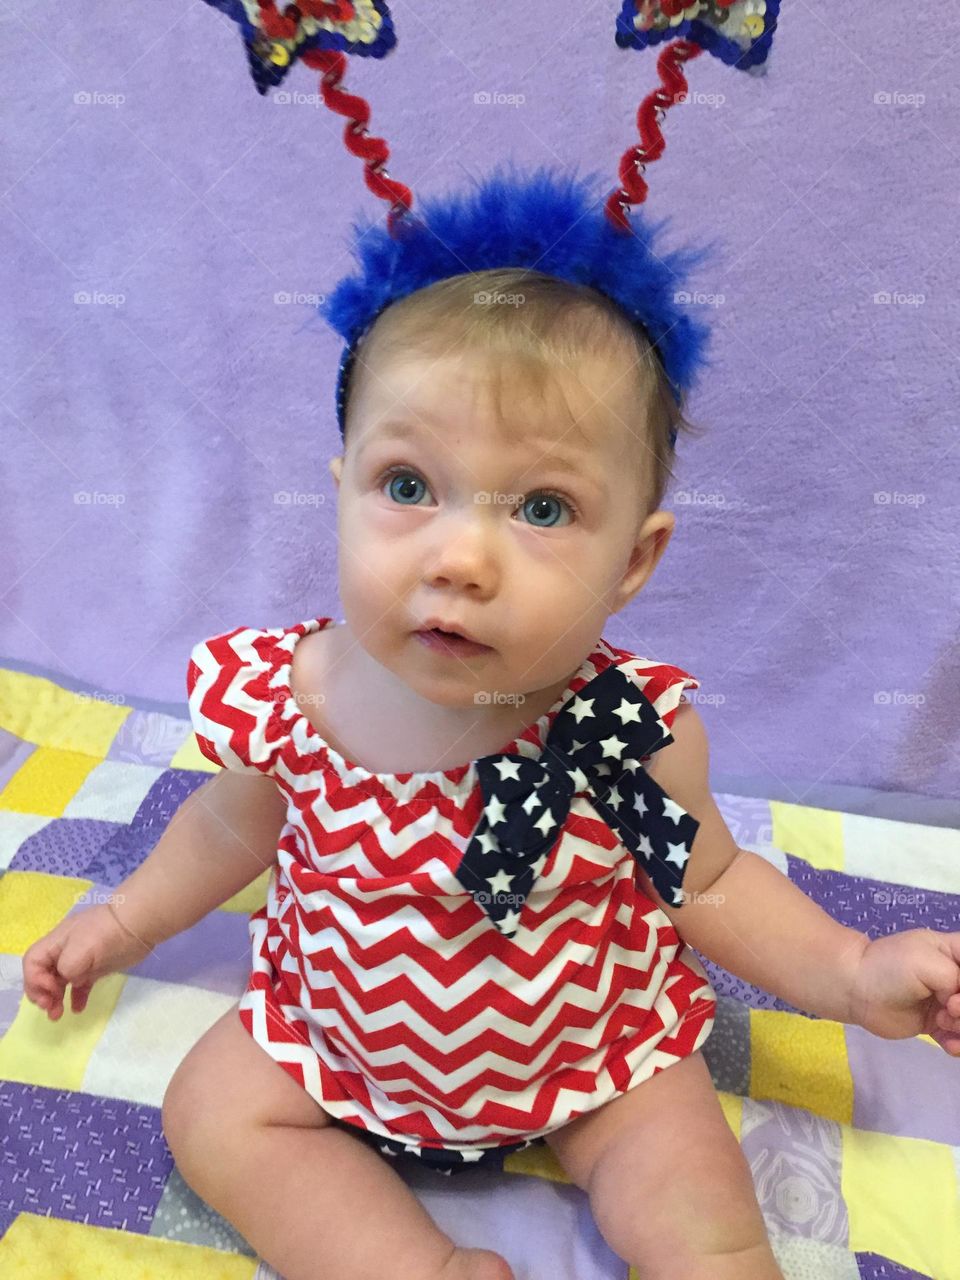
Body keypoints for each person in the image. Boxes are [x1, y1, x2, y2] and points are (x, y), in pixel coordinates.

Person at [21, 174, 960, 1280]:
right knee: (213, 1110)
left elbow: (704, 883)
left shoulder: (622, 730)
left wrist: (853, 971)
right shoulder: (298, 697)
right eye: (408, 483)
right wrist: (122, 920)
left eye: (544, 508)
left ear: (635, 560)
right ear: (340, 489)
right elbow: (228, 835)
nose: (460, 559)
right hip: (337, 1039)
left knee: (693, 1195)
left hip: (588, 1050)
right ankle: (420, 1264)